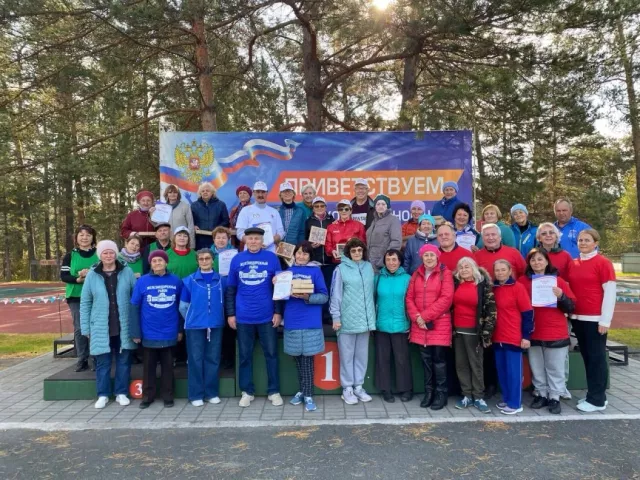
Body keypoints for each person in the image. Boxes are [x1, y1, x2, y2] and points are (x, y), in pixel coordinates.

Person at [225, 227, 284, 408]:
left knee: (272, 354)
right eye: (250, 239)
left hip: (267, 316)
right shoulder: (237, 259)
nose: (253, 242)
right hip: (243, 317)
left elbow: (279, 288)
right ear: (245, 240)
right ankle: (247, 391)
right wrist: (231, 314)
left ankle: (274, 391)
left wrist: (278, 312)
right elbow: (230, 290)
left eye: (257, 239)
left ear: (262, 240)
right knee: (244, 356)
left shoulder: (272, 258)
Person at [79, 240, 136, 409]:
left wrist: (135, 325)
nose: (109, 256)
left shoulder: (127, 271)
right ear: (100, 255)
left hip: (122, 325)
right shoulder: (92, 274)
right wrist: (86, 328)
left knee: (123, 361)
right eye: (105, 253)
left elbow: (135, 298)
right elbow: (85, 302)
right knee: (103, 362)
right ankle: (103, 394)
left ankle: (121, 393)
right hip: (101, 326)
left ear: (116, 254)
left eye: (112, 252)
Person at [518, 248, 576, 415]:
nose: (536, 262)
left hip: (555, 330)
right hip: (534, 330)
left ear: (547, 261)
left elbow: (571, 306)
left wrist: (561, 296)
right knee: (537, 366)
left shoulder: (558, 281)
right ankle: (541, 393)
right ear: (529, 263)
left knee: (555, 367)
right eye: (533, 260)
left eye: (540, 259)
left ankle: (555, 397)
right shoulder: (523, 281)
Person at [568, 229, 616, 412]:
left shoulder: (603, 263)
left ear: (595, 243)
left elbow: (610, 293)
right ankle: (594, 395)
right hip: (578, 319)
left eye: (587, 240)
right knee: (587, 358)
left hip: (596, 320)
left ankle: (597, 400)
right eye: (580, 240)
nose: (583, 243)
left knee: (596, 359)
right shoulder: (574, 263)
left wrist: (605, 321)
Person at [130, 250, 182, 409]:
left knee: (168, 366)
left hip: (169, 331)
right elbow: (134, 307)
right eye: (154, 261)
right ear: (150, 264)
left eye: (160, 260)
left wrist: (180, 330)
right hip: (148, 332)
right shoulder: (142, 281)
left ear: (166, 263)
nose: (157, 263)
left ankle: (168, 396)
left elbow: (182, 307)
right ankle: (147, 396)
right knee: (148, 367)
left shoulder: (176, 281)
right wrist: (135, 331)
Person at [406, 244, 454, 410]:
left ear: (437, 257)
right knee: (426, 361)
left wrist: (424, 317)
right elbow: (409, 298)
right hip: (420, 326)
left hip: (438, 324)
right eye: (426, 255)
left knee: (439, 361)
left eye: (431, 255)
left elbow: (446, 298)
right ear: (422, 257)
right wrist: (417, 317)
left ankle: (441, 393)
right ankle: (429, 392)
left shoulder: (445, 274)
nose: (429, 258)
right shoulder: (416, 274)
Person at [282, 242, 329, 412]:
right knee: (298, 359)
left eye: (305, 254)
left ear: (310, 256)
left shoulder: (315, 271)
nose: (301, 256)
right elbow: (279, 295)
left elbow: (324, 296)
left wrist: (307, 297)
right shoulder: (286, 272)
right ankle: (302, 390)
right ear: (294, 255)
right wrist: (277, 283)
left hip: (310, 321)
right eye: (299, 253)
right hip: (292, 320)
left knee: (308, 360)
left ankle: (308, 394)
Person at [330, 237, 376, 405]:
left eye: (359, 250)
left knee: (361, 356)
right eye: (353, 250)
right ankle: (347, 388)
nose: (357, 253)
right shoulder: (340, 269)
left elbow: (372, 294)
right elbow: (335, 295)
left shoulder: (369, 267)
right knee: (347, 356)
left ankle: (359, 386)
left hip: (365, 321)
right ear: (348, 253)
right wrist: (336, 317)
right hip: (347, 320)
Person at [179, 249, 225, 407]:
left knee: (213, 359)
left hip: (216, 325)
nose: (204, 261)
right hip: (194, 326)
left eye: (207, 258)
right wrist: (195, 318)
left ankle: (211, 393)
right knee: (195, 360)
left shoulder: (221, 280)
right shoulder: (189, 280)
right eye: (201, 259)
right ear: (197, 261)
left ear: (213, 260)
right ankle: (196, 394)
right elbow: (183, 306)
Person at [452, 257, 495, 414]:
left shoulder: (482, 286)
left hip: (474, 331)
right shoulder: (456, 283)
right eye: (461, 267)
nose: (464, 270)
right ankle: (466, 395)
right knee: (461, 364)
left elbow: (491, 310)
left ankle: (478, 396)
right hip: (458, 331)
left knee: (475, 364)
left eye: (467, 267)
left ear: (474, 269)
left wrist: (486, 332)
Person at [492, 259, 534, 415]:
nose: (500, 273)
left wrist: (526, 336)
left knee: (514, 372)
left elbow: (527, 313)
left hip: (513, 336)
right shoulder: (494, 289)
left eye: (503, 270)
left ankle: (515, 403)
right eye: (497, 270)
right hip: (497, 337)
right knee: (502, 371)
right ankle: (507, 398)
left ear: (510, 271)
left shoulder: (518, 288)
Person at [375, 249, 412, 403]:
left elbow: (411, 302)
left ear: (400, 261)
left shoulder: (407, 278)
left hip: (401, 325)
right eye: (388, 259)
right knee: (383, 360)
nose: (391, 262)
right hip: (381, 325)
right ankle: (386, 389)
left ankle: (406, 389)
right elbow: (373, 299)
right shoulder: (378, 278)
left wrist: (411, 323)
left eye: (394, 259)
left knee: (402, 359)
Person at [61, 224, 98, 372]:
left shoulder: (99, 254)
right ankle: (82, 358)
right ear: (76, 238)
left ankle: (96, 357)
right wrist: (78, 278)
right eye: (81, 235)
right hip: (76, 295)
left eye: (88, 235)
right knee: (80, 327)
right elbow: (64, 276)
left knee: (96, 326)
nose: (85, 238)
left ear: (92, 238)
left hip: (96, 295)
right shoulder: (70, 255)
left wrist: (91, 273)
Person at [305, 196, 335, 323]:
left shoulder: (332, 220)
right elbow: (304, 240)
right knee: (316, 288)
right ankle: (317, 315)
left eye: (322, 206)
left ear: (326, 207)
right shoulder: (308, 221)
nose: (319, 208)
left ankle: (327, 316)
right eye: (316, 206)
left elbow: (335, 239)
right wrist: (310, 245)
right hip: (314, 261)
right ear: (313, 208)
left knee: (329, 288)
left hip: (329, 260)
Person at [210, 226, 236, 369]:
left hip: (230, 293)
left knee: (229, 328)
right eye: (218, 237)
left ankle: (229, 359)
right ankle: (215, 358)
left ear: (228, 239)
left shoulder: (235, 254)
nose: (221, 240)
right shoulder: (208, 254)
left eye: (223, 237)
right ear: (213, 239)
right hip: (214, 295)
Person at [236, 181, 285, 253]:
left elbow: (281, 233)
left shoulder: (274, 212)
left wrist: (270, 241)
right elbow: (240, 233)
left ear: (267, 193)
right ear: (253, 193)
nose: (260, 194)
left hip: (270, 252)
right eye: (258, 192)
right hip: (251, 252)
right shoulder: (245, 210)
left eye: (263, 192)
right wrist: (254, 243)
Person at [366, 194, 402, 273]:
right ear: (375, 207)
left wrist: (385, 261)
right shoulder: (374, 221)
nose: (380, 206)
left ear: (387, 206)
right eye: (378, 204)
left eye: (383, 204)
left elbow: (396, 242)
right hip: (370, 264)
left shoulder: (393, 220)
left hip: (382, 265)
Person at [325, 199, 366, 264]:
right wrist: (332, 251)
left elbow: (363, 244)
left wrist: (354, 243)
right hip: (337, 262)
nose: (344, 211)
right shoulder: (331, 227)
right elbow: (328, 245)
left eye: (346, 209)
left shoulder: (359, 225)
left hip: (354, 262)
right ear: (338, 211)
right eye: (341, 209)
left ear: (350, 211)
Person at [191, 182, 230, 250]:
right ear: (200, 193)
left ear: (212, 192)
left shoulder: (221, 205)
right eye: (202, 191)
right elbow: (190, 220)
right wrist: (193, 226)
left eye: (207, 190)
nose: (205, 192)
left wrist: (217, 230)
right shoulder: (194, 205)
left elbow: (226, 221)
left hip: (216, 240)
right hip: (199, 239)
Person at [157, 184, 195, 248]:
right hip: (167, 242)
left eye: (175, 192)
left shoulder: (185, 206)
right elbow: (158, 225)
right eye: (170, 192)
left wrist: (191, 245)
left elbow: (190, 225)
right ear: (167, 194)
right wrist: (151, 214)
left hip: (182, 242)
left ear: (178, 194)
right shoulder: (162, 208)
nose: (172, 194)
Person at [277, 181, 307, 246]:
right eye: (284, 191)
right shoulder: (276, 211)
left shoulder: (301, 211)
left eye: (289, 191)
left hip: (294, 247)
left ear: (293, 193)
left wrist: (299, 247)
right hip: (279, 248)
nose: (287, 193)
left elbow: (302, 232)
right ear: (281, 195)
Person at [228, 185, 252, 250]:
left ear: (249, 196)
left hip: (246, 239)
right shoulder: (234, 210)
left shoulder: (253, 209)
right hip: (234, 239)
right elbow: (230, 222)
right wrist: (230, 228)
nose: (242, 195)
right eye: (240, 193)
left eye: (244, 193)